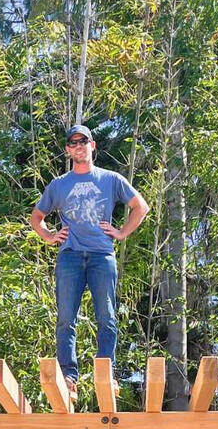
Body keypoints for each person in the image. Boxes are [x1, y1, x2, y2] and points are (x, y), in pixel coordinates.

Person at [29, 125, 150, 399]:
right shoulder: (58, 184)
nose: (78, 146)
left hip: (101, 255)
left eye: (83, 141)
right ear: (68, 150)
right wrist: (49, 236)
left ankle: (106, 372)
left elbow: (140, 206)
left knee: (106, 316)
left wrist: (122, 233)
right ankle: (68, 377)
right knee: (65, 318)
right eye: (73, 143)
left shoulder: (111, 179)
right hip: (70, 256)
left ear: (92, 145)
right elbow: (36, 217)